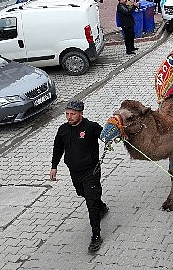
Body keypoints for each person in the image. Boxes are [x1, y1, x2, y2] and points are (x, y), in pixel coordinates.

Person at [50, 100, 108, 253]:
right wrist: (54, 166)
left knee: (90, 203)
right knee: (82, 193)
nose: (69, 117)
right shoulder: (62, 129)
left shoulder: (91, 127)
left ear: (80, 114)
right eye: (67, 114)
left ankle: (96, 236)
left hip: (91, 171)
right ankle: (101, 206)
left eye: (73, 114)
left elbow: (105, 136)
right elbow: (57, 147)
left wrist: (113, 134)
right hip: (74, 172)